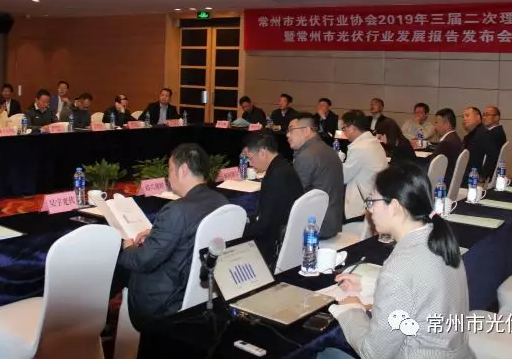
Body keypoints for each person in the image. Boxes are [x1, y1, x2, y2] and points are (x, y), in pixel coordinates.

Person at [318, 163, 472, 359]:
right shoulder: (440, 241)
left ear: (395, 207)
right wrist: (369, 285)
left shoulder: (400, 266)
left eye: (372, 201)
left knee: (324, 353)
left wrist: (351, 308)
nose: (370, 210)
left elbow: (373, 353)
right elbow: (419, 289)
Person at [118, 143, 228, 331]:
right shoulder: (220, 200)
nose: (168, 177)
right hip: (204, 291)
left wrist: (127, 248)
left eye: (169, 170)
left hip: (167, 300)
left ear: (183, 170)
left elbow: (144, 260)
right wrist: (157, 232)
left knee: (125, 265)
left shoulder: (177, 210)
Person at [242, 131, 303, 265]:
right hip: (289, 235)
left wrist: (239, 229)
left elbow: (265, 226)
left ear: (262, 153)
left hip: (275, 244)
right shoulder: (284, 167)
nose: (250, 164)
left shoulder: (274, 177)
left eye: (250, 158)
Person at [287, 113, 344, 238]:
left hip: (315, 226)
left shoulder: (307, 155)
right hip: (331, 221)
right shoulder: (326, 149)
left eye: (291, 130)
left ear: (306, 131)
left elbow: (293, 194)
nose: (287, 135)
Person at [340, 110, 388, 219]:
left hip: (362, 203)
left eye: (344, 128)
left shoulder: (359, 147)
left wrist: (337, 161)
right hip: (375, 196)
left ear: (352, 128)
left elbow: (343, 177)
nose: (344, 132)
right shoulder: (373, 142)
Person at [432, 108, 464, 182]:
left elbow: (432, 167)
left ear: (446, 124)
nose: (435, 126)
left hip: (442, 182)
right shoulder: (455, 138)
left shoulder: (446, 143)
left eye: (436, 122)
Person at [462, 107, 489, 179]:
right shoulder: (479, 132)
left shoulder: (479, 136)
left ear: (478, 117)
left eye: (467, 116)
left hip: (473, 177)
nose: (464, 119)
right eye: (463, 117)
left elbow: (470, 162)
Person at [481, 105, 507, 177]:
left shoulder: (493, 134)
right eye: (483, 115)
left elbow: (491, 158)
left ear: (496, 118)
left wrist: (482, 176)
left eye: (487, 115)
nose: (484, 117)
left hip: (486, 176)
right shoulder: (497, 131)